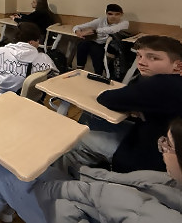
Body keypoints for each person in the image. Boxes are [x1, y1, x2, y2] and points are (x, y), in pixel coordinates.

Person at [0, 117, 182, 223]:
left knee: (3, 172)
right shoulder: (170, 181)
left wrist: (51, 194)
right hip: (87, 193)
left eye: (168, 145)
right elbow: (116, 183)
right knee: (30, 168)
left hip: (71, 211)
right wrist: (80, 173)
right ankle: (4, 204)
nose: (161, 148)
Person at [58, 35, 182, 175]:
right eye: (139, 56)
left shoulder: (163, 84)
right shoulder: (172, 82)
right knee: (93, 120)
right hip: (152, 138)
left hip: (146, 158)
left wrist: (134, 103)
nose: (141, 62)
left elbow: (107, 98)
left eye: (153, 58)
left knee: (76, 138)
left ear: (178, 65)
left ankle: (63, 177)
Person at [0, 22, 56, 96]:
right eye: (38, 40)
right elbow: (55, 74)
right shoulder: (44, 58)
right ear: (31, 42)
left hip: (0, 94)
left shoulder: (2, 52)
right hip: (27, 98)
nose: (39, 43)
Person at [72, 3, 129, 74]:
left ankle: (98, 74)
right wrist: (78, 32)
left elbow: (112, 30)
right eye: (110, 14)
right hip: (98, 42)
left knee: (96, 50)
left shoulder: (124, 23)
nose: (113, 16)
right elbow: (78, 26)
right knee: (82, 44)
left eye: (117, 14)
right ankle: (79, 69)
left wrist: (94, 31)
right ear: (106, 13)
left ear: (121, 14)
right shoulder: (101, 20)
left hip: (112, 45)